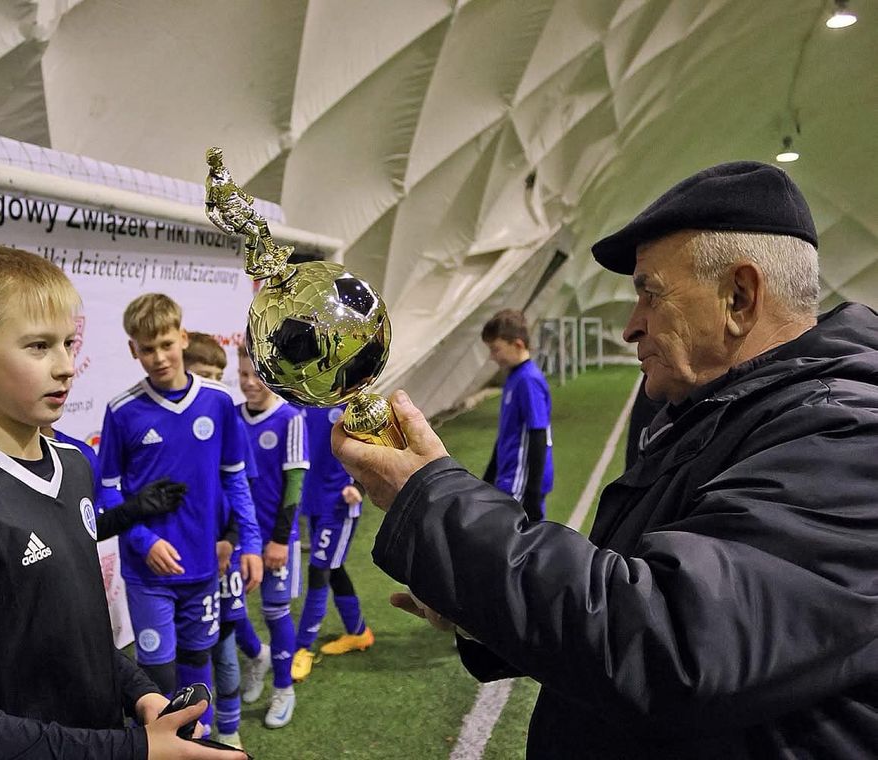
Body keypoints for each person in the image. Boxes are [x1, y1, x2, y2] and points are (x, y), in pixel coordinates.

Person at [332, 161, 878, 758]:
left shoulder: (848, 439)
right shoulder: (722, 413)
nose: (629, 327)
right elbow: (626, 586)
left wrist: (433, 503)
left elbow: (669, 643)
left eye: (649, 292)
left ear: (740, 298)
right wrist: (478, 608)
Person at [0, 246, 243, 759]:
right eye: (39, 346)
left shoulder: (76, 464)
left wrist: (139, 692)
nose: (65, 367)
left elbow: (75, 634)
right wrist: (133, 750)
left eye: (68, 343)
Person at [99, 295, 262, 736]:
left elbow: (236, 481)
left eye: (166, 344)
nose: (158, 357)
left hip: (203, 568)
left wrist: (248, 542)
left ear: (183, 339)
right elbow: (107, 492)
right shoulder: (122, 410)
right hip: (147, 575)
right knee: (158, 681)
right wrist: (144, 542)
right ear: (134, 350)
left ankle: (205, 745)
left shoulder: (218, 402)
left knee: (198, 665)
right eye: (146, 348)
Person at [182, 332, 252, 750]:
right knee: (187, 655)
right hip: (182, 564)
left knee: (224, 644)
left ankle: (229, 728)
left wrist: (230, 538)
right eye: (202, 375)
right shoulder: (166, 425)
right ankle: (195, 731)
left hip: (221, 559)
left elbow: (239, 493)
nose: (212, 384)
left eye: (218, 376)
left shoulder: (227, 422)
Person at [233, 346, 309, 728]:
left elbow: (294, 486)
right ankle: (256, 656)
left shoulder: (291, 418)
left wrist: (279, 540)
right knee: (232, 609)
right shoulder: (232, 417)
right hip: (239, 540)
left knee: (275, 612)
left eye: (257, 376)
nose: (249, 383)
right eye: (243, 374)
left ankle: (283, 688)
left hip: (277, 539)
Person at [291, 404, 373, 684]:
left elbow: (372, 446)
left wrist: (360, 487)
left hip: (338, 504)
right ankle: (358, 632)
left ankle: (302, 647)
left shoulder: (347, 403)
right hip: (312, 502)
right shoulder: (295, 402)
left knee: (319, 571)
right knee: (333, 568)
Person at [479, 309, 553, 521]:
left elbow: (538, 435)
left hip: (520, 483)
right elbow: (506, 434)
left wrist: (532, 492)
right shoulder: (514, 377)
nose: (493, 357)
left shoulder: (528, 381)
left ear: (518, 345)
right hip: (509, 479)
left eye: (496, 350)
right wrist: (489, 477)